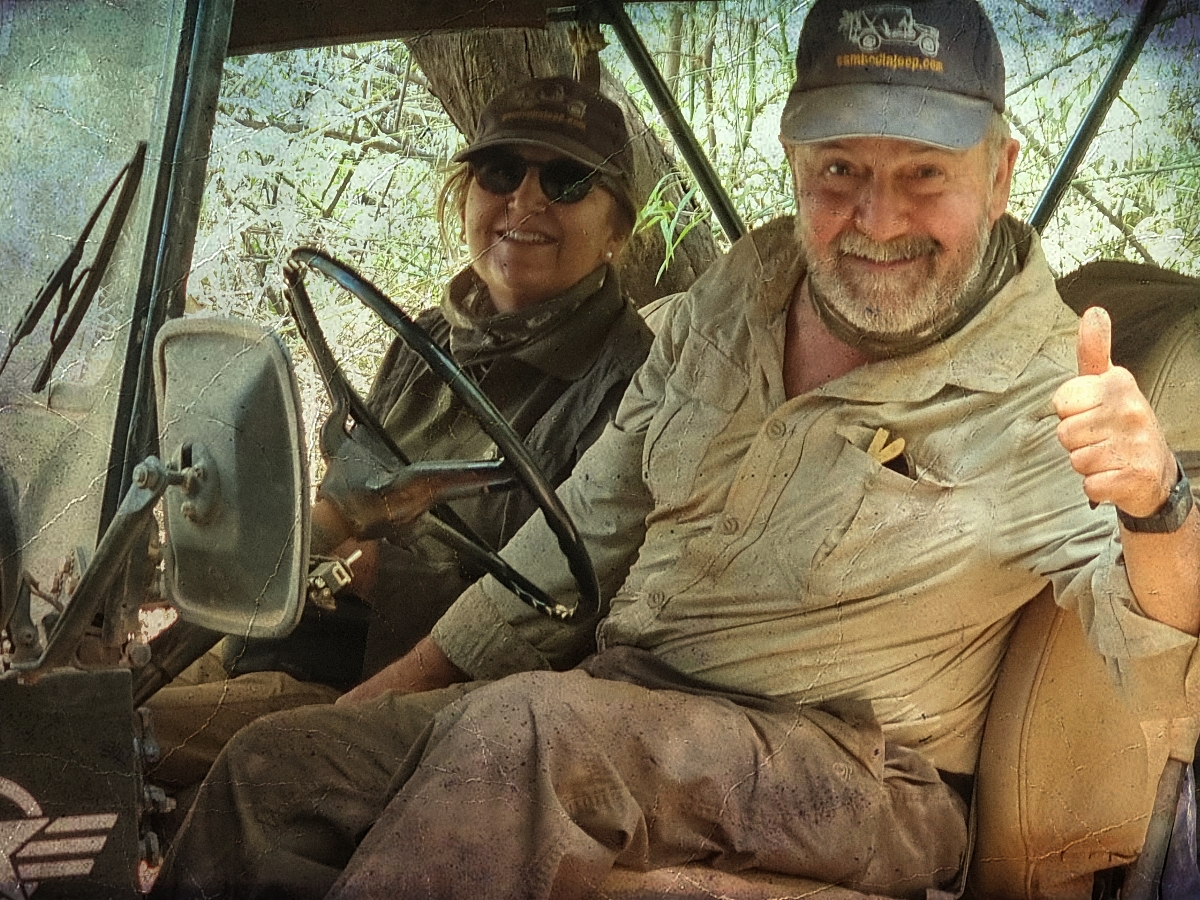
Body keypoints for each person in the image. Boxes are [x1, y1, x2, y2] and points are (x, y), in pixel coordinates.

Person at [150, 1, 1200, 897]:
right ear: (795, 163)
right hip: (628, 704)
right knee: (274, 767)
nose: (877, 217)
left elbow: (1150, 641)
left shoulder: (1047, 389)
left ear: (1003, 171)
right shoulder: (741, 290)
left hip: (856, 768)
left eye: (925, 173)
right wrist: (387, 696)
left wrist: (1155, 499)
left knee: (531, 738)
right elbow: (589, 523)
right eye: (839, 170)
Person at [143, 75, 653, 801]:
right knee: (76, 700)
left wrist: (384, 573)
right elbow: (342, 504)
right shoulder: (428, 339)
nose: (526, 199)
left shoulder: (631, 384)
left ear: (616, 232)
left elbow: (572, 610)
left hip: (390, 685)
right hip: (283, 633)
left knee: (88, 741)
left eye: (567, 180)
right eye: (501, 171)